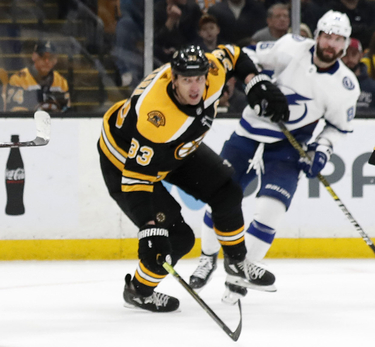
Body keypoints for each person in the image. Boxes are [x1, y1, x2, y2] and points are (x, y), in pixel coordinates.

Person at [97, 44, 288, 312]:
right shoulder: (157, 119)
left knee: (227, 192)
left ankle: (237, 263)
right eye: (187, 80)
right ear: (173, 80)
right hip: (124, 162)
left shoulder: (211, 71)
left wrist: (254, 80)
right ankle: (139, 291)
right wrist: (149, 229)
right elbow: (137, 179)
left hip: (175, 149)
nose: (195, 87)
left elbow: (234, 54)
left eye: (199, 79)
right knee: (176, 239)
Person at [189, 11, 360, 302]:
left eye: (338, 39)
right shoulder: (290, 47)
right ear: (316, 36)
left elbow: (336, 128)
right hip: (249, 132)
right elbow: (247, 57)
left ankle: (240, 275)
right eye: (327, 36)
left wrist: (322, 149)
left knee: (271, 209)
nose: (331, 43)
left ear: (344, 46)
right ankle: (207, 257)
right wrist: (258, 84)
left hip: (289, 148)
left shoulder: (346, 87)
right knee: (219, 195)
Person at [6, 40, 70, 113]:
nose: (47, 61)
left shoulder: (61, 81)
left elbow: (66, 109)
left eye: (51, 57)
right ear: (34, 57)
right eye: (42, 56)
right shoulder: (18, 79)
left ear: (55, 60)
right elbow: (15, 111)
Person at [154, 0, 202, 65]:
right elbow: (155, 41)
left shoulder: (192, 8)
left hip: (188, 57)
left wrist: (179, 50)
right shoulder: (157, 9)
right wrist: (171, 20)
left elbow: (196, 38)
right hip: (162, 60)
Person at [343, 38, 375, 111]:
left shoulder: (372, 87)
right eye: (345, 54)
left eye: (354, 54)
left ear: (361, 55)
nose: (350, 59)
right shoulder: (332, 84)